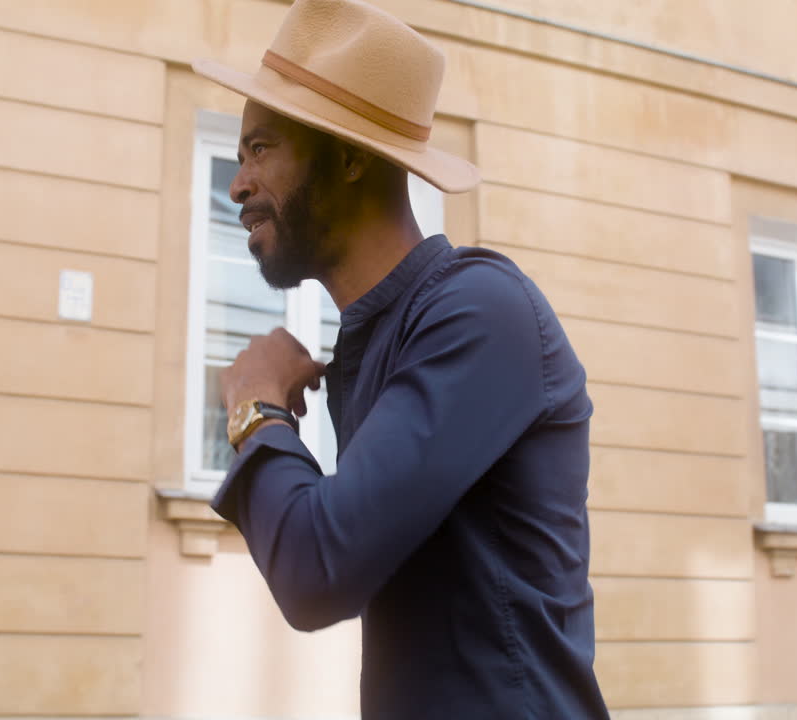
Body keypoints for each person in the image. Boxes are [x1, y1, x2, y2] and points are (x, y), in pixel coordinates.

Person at [194, 0, 611, 717]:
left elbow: (317, 569)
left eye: (260, 150)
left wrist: (255, 410)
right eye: (238, 158)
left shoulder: (480, 311)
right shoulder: (376, 338)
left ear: (352, 155)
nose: (237, 185)